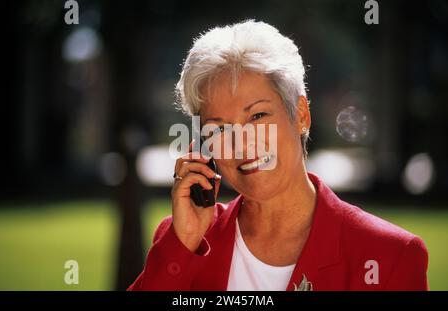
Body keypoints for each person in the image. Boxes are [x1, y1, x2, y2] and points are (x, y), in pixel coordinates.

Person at [128, 20, 428, 291]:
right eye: (218, 129)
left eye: (257, 116)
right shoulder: (183, 239)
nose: (242, 144)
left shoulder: (391, 256)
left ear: (301, 115)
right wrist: (182, 245)